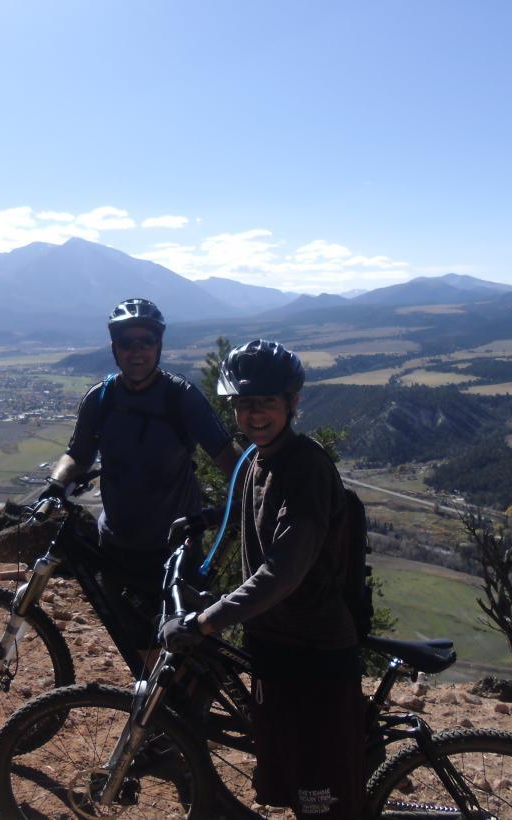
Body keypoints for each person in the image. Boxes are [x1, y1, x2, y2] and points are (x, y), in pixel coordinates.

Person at [162, 339, 366, 819]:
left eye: (266, 402)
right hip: (276, 643)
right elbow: (250, 512)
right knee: (294, 776)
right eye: (243, 403)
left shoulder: (305, 469)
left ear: (292, 404)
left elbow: (281, 573)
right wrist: (203, 520)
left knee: (322, 798)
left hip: (313, 649)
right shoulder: (257, 459)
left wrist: (203, 622)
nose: (253, 414)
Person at [42, 297, 240, 646]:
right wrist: (55, 484)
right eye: (126, 343)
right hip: (116, 547)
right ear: (114, 348)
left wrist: (258, 496)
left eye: (146, 342)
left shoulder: (181, 397)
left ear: (158, 345)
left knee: (184, 651)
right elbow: (78, 453)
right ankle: (150, 700)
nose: (137, 351)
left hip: (176, 551)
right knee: (135, 645)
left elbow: (227, 456)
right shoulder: (100, 399)